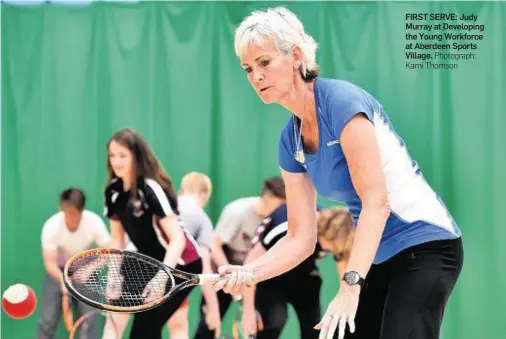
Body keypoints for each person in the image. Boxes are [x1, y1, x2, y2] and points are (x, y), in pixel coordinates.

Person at [213, 6, 464, 339]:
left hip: (428, 244)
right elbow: (300, 237)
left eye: (264, 63)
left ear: (296, 56)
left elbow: (376, 202)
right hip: (379, 255)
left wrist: (350, 287)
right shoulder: (290, 141)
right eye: (247, 68)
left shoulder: (342, 104)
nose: (255, 76)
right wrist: (249, 272)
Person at [104, 128, 203, 339]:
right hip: (146, 260)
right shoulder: (113, 192)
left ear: (136, 156)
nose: (116, 161)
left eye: (123, 155)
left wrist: (161, 278)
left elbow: (177, 240)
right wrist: (114, 275)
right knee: (127, 324)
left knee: (144, 328)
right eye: (112, 155)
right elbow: (117, 238)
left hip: (181, 264)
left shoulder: (151, 189)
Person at [102, 171, 220, 339]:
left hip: (133, 263)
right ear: (205, 194)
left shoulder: (157, 202)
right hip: (169, 269)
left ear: (182, 189)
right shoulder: (201, 218)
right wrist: (214, 310)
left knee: (115, 326)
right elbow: (204, 267)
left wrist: (110, 272)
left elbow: (121, 240)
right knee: (177, 326)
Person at [240, 205, 354, 338]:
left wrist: (346, 300)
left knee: (314, 329)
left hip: (303, 277)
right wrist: (248, 311)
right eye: (330, 246)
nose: (328, 250)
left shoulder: (336, 238)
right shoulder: (288, 227)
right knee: (274, 323)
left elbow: (344, 271)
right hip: (271, 277)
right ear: (322, 230)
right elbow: (249, 267)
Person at [194, 176, 285, 339]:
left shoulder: (279, 219)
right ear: (267, 199)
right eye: (281, 205)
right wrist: (232, 274)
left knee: (272, 322)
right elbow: (214, 245)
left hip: (252, 275)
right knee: (209, 325)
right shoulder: (238, 211)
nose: (283, 211)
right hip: (223, 271)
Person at [39, 188, 110, 339]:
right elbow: (49, 262)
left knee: (90, 320)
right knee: (47, 320)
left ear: (81, 211)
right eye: (65, 211)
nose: (68, 216)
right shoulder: (51, 226)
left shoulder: (94, 223)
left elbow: (108, 252)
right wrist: (62, 280)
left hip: (86, 269)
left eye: (72, 213)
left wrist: (90, 269)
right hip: (58, 270)